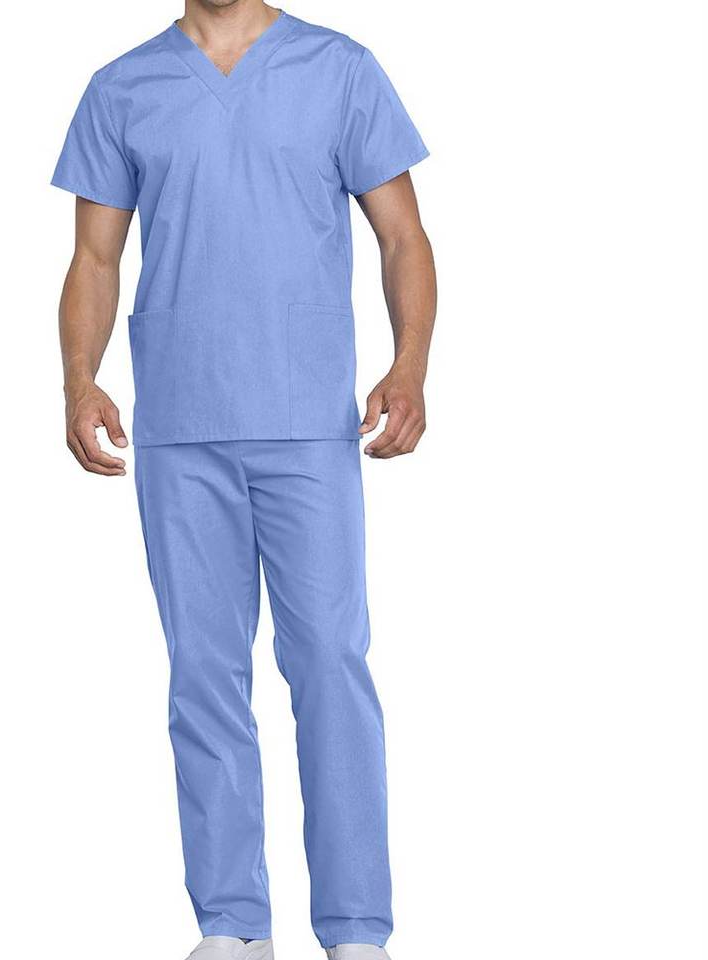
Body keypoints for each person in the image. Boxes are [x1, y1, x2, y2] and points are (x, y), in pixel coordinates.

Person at [52, 2, 436, 957]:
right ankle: (231, 928)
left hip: (308, 425)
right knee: (203, 676)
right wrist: (79, 380)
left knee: (331, 667)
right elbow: (94, 257)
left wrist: (410, 366)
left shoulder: (340, 71)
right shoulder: (122, 89)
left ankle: (356, 931)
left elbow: (402, 236)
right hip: (181, 429)